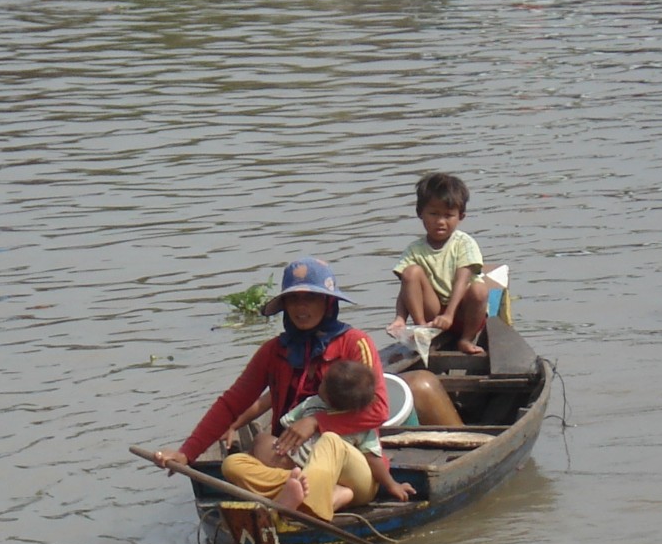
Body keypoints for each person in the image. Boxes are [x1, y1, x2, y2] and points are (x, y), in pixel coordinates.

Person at [153, 257, 389, 521]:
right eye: (293, 299)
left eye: (310, 298)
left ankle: (304, 502)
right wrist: (186, 453)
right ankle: (307, 493)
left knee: (330, 442)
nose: (301, 308)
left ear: (328, 302)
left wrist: (316, 422)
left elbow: (378, 410)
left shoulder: (356, 344)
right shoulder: (274, 351)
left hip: (352, 467)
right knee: (234, 464)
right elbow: (232, 403)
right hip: (293, 464)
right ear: (285, 306)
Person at [248, 360, 416, 508]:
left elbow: (288, 425)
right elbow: (373, 458)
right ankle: (297, 488)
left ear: (325, 393)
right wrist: (392, 485)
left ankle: (293, 489)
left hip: (303, 465)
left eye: (324, 380)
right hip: (315, 472)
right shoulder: (361, 424)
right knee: (235, 463)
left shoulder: (312, 404)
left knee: (261, 440)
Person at [386, 172, 489, 355]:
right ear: (420, 213)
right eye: (433, 214)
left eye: (448, 215)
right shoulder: (415, 249)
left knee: (479, 290)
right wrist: (400, 318)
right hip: (433, 315)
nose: (440, 222)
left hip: (463, 313)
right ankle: (422, 330)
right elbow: (406, 288)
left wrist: (449, 314)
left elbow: (462, 281)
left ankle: (465, 339)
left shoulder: (464, 243)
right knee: (410, 272)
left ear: (461, 216)